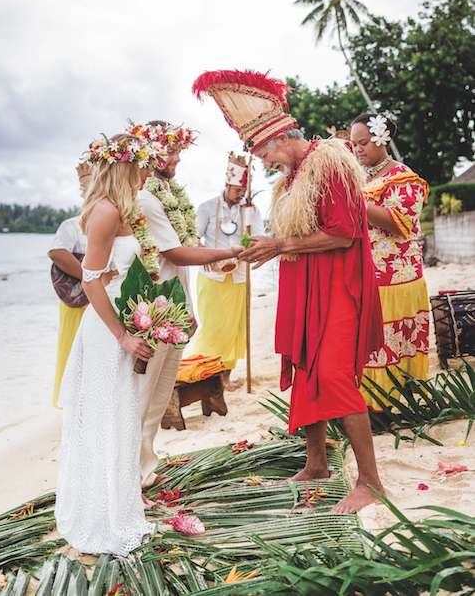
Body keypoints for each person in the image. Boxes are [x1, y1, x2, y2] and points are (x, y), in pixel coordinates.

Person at [193, 69, 386, 513]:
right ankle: (316, 464)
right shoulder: (293, 175)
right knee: (306, 368)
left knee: (335, 375)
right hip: (306, 287)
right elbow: (301, 234)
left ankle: (371, 481)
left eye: (262, 151)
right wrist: (267, 250)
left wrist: (280, 245)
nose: (262, 161)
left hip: (337, 286)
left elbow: (344, 234)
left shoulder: (328, 163)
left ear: (280, 138)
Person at [55, 133, 164, 556]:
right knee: (107, 415)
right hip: (107, 331)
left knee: (120, 415)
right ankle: (100, 517)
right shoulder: (104, 211)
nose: (148, 173)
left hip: (121, 321)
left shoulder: (124, 210)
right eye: (143, 165)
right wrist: (122, 334)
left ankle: (119, 507)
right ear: (125, 167)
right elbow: (89, 278)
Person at [126, 120, 244, 490]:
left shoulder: (166, 191)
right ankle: (132, 471)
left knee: (160, 393)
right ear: (151, 153)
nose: (177, 159)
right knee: (144, 395)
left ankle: (146, 466)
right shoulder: (145, 195)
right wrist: (228, 251)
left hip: (175, 302)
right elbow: (175, 252)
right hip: (155, 308)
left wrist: (190, 308)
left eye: (179, 151)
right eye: (171, 151)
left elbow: (181, 257)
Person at [350, 113, 430, 410]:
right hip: (366, 275)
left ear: (382, 139)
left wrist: (355, 200)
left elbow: (400, 223)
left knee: (391, 342)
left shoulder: (403, 177)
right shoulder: (360, 177)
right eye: (354, 144)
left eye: (363, 142)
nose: (358, 149)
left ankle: (395, 403)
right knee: (371, 343)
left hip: (397, 279)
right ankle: (372, 405)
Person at [193, 152, 263, 390]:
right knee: (213, 328)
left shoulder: (251, 210)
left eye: (244, 191)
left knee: (235, 329)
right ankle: (206, 377)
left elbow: (259, 238)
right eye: (236, 191)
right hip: (212, 276)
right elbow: (192, 238)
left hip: (241, 276)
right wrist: (204, 254)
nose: (240, 195)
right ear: (227, 185)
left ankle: (225, 377)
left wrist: (251, 249)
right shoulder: (207, 207)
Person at [48, 162, 92, 407]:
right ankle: (74, 405)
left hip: (101, 299)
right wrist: (89, 277)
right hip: (77, 302)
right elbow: (56, 253)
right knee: (74, 352)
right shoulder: (72, 225)